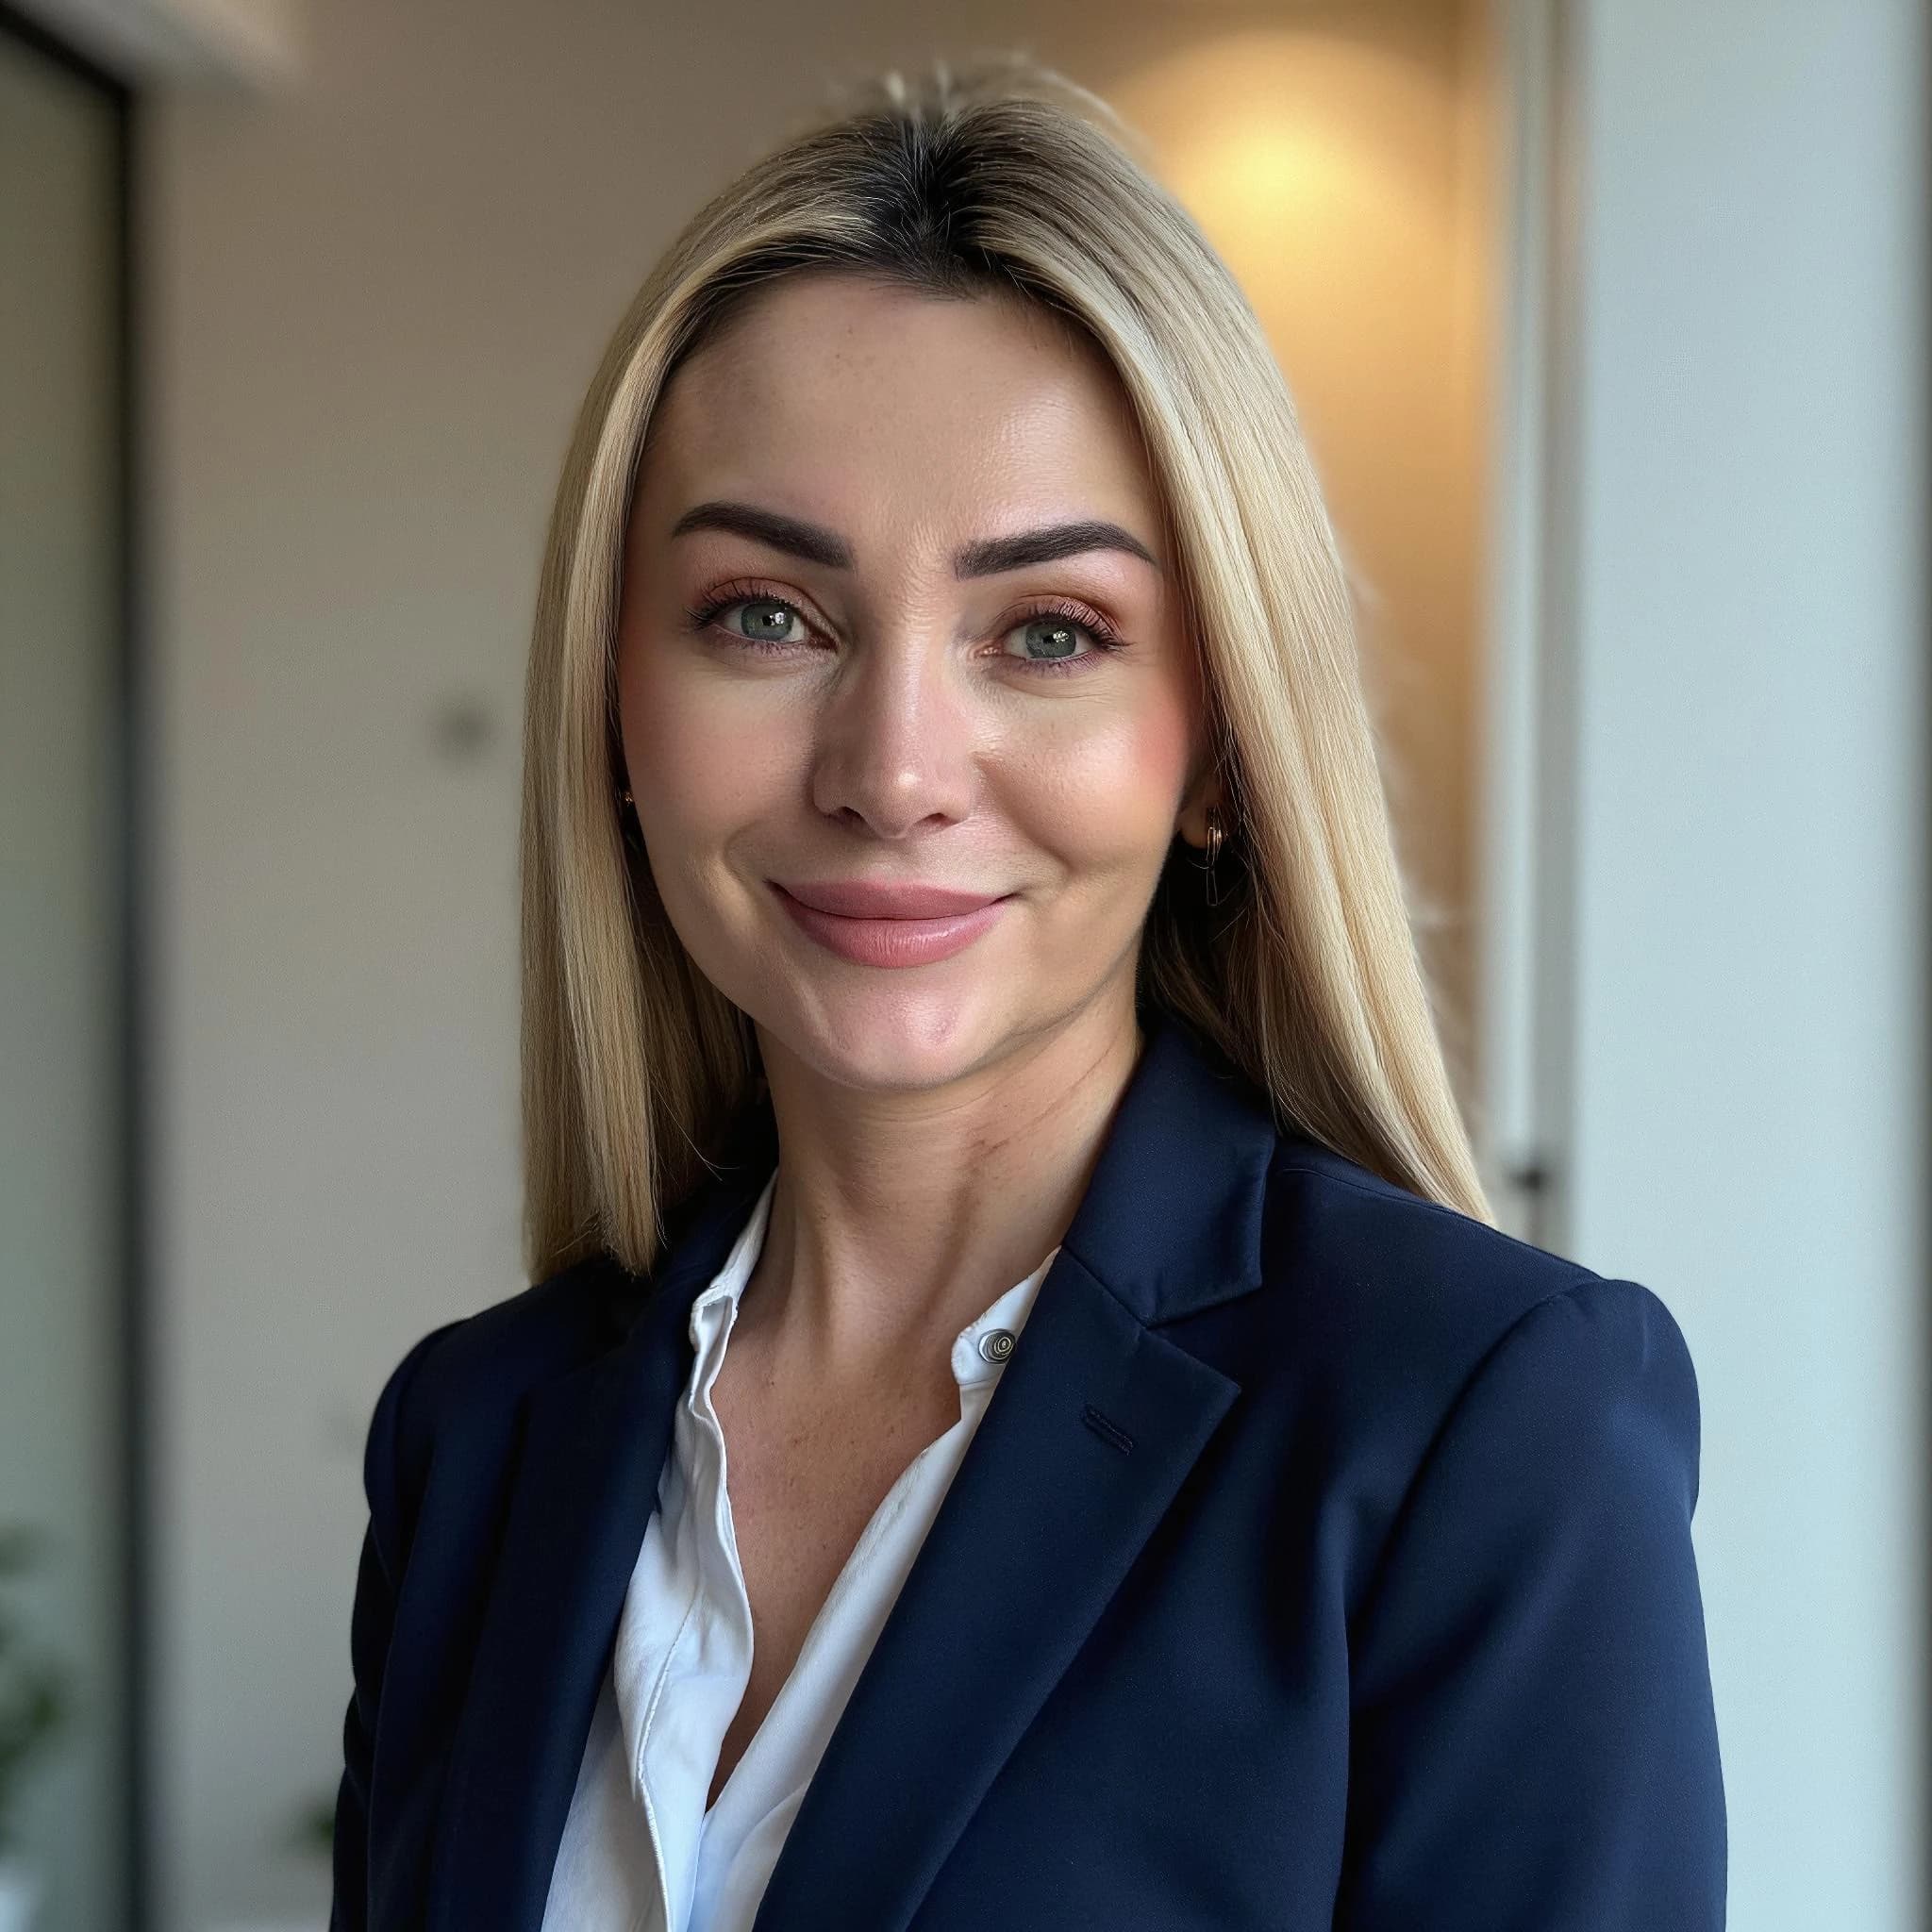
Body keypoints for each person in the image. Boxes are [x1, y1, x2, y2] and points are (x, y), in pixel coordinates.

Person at [328, 54, 1726, 1932]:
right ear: (616, 715)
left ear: (1218, 751)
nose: (892, 768)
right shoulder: (474, 1439)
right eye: (766, 612)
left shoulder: (1481, 1430)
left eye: (1048, 632)